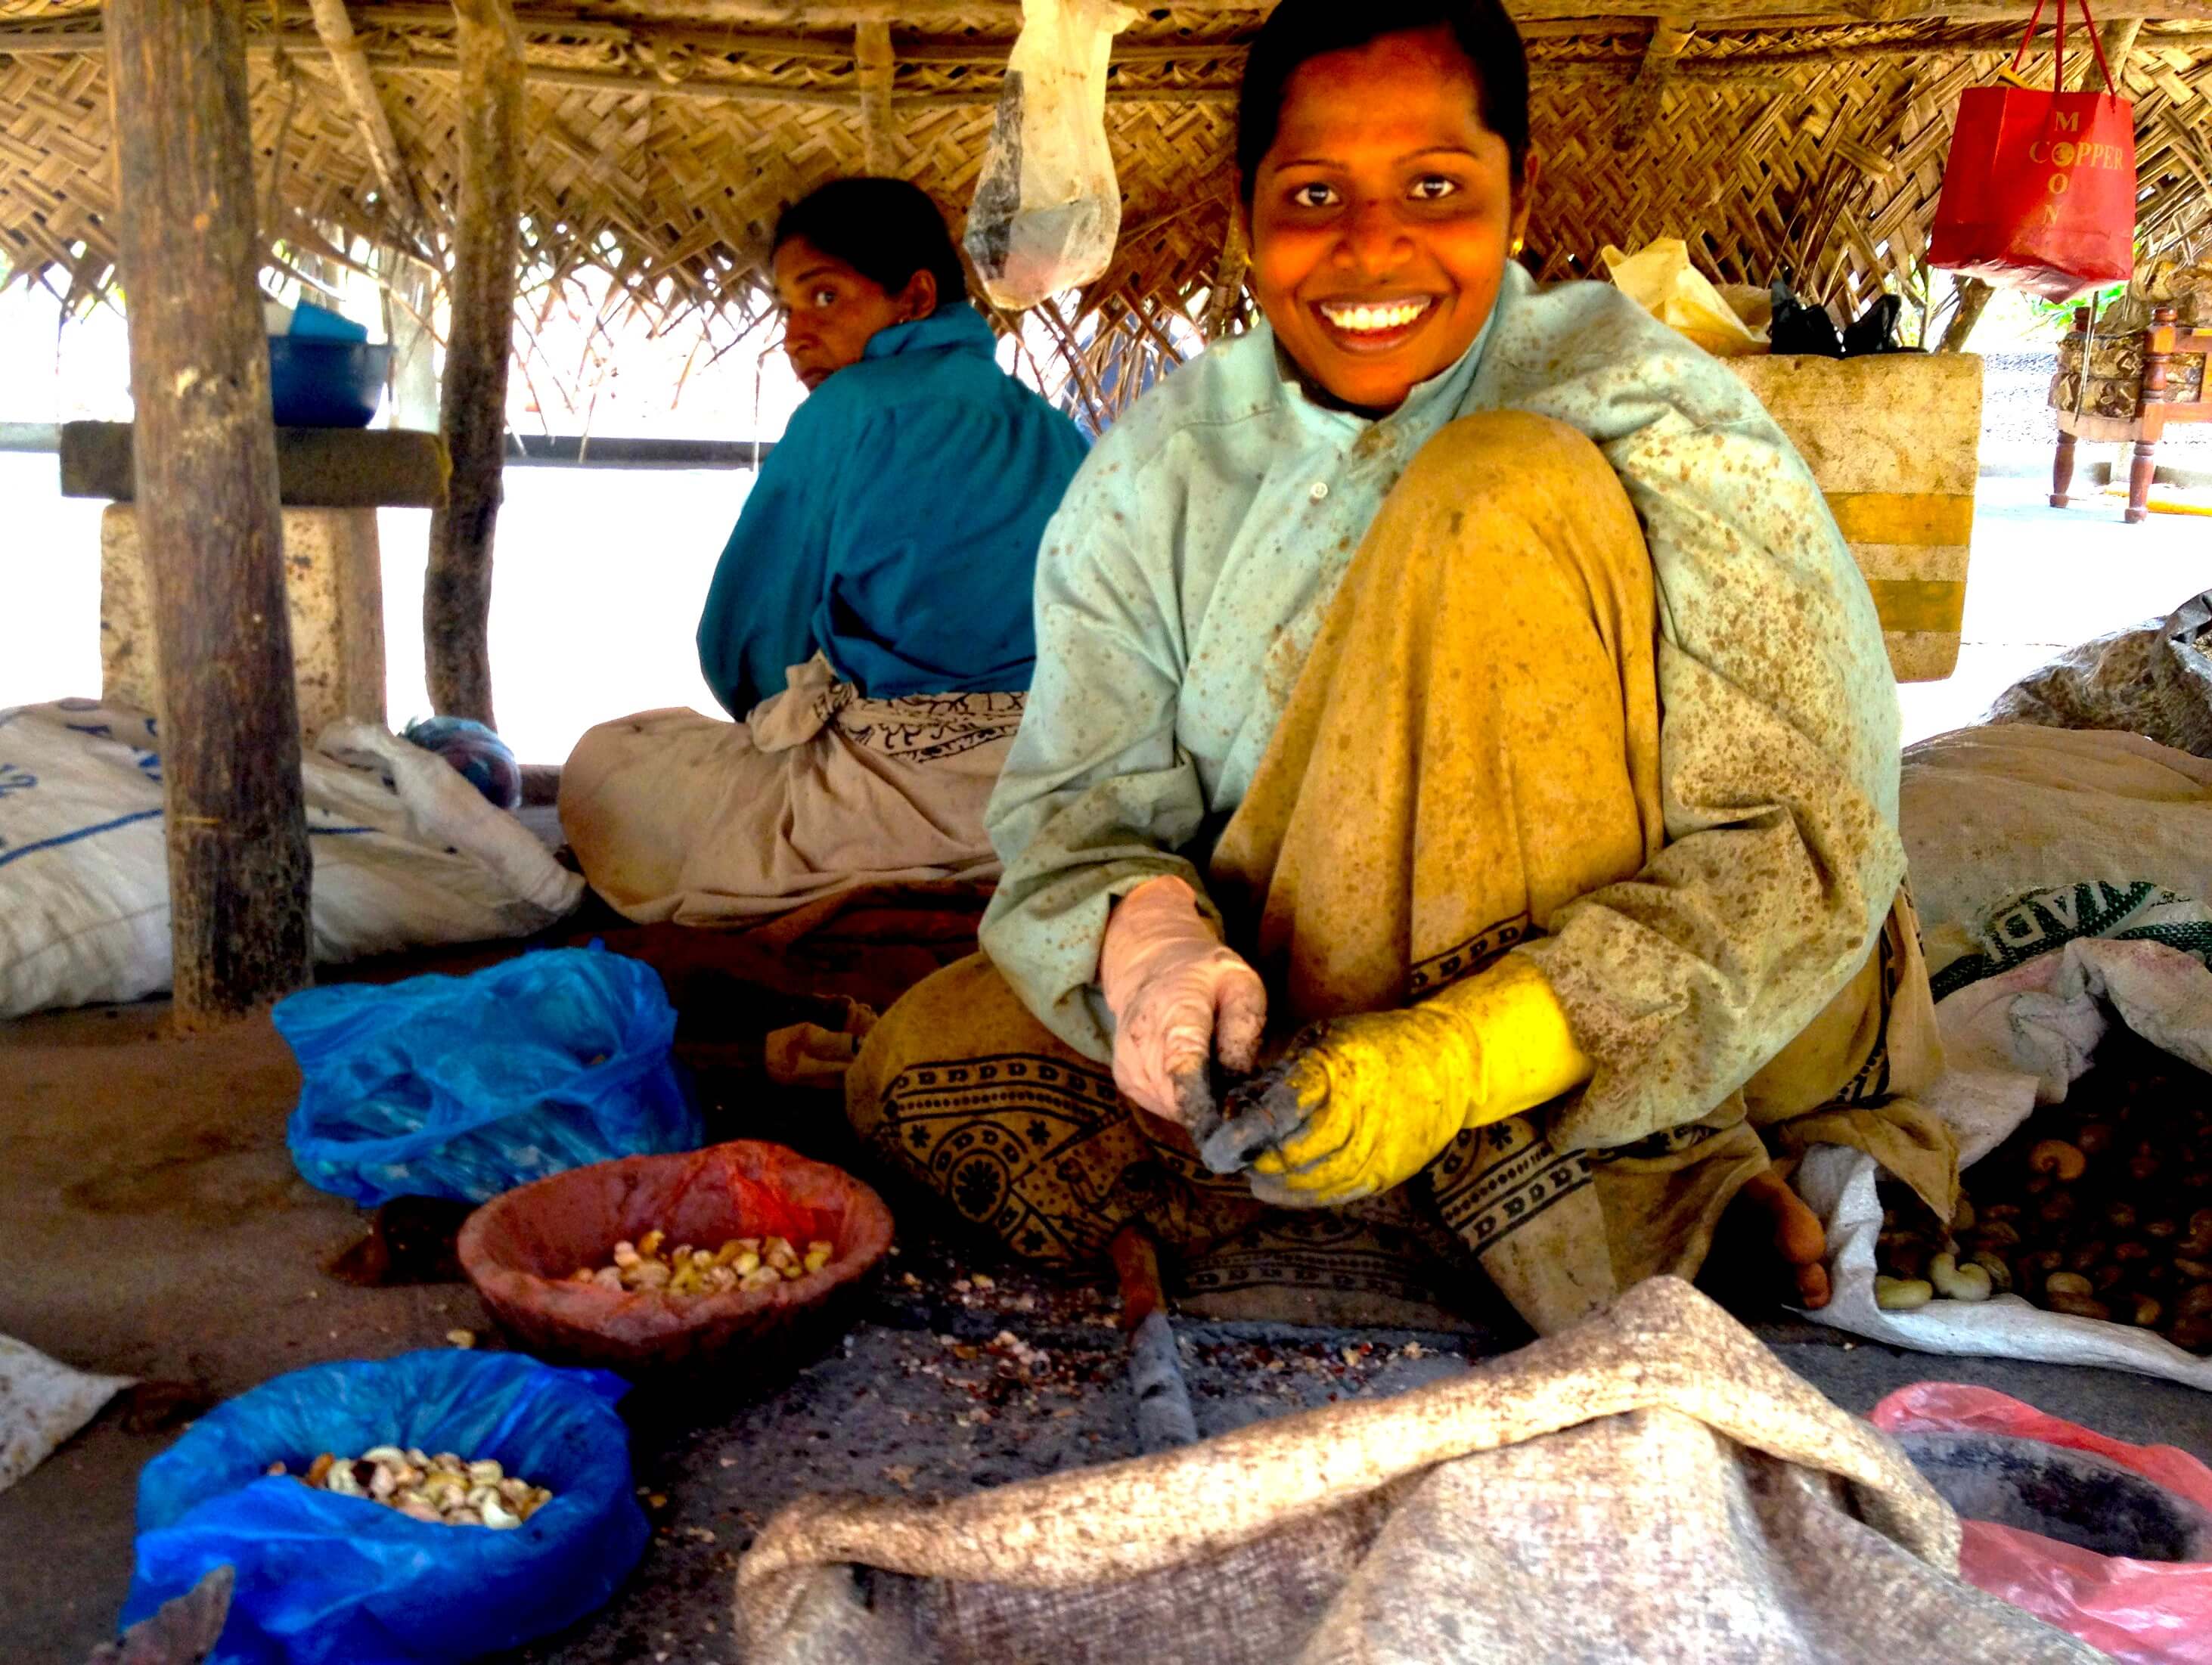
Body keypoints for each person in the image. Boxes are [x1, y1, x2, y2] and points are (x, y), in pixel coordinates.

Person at [845, 0, 1955, 1333]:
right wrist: (1150, 955)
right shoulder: (1165, 468)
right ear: (1250, 213)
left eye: (1435, 187)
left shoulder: (1648, 409)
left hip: (1666, 1011)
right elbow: (1083, 814)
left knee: (1491, 495)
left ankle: (1640, 1177)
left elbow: (1801, 850)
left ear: (1517, 194)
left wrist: (1468, 1051)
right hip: (1320, 992)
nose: (1372, 247)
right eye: (1315, 193)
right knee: (922, 1060)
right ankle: (1415, 1190)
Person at [560, 178, 1090, 923]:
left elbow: (747, 653)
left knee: (609, 761)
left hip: (898, 805)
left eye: (825, 298)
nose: (795, 335)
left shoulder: (851, 409)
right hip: (1063, 798)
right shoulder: (1055, 430)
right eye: (787, 309)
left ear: (912, 298)